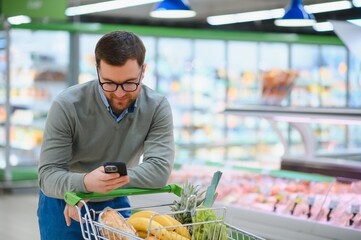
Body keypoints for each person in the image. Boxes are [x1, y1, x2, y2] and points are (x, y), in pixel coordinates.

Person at [37, 31, 175, 240]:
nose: (119, 93)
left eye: (130, 83)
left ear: (143, 71)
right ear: (97, 71)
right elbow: (48, 175)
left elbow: (159, 170)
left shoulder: (156, 107)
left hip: (116, 200)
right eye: (109, 83)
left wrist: (103, 185)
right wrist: (84, 184)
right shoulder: (66, 106)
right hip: (63, 202)